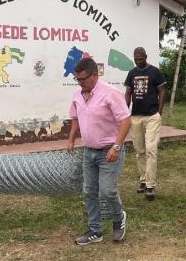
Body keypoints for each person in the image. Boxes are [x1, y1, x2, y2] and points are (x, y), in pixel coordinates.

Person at [67, 58, 132, 245]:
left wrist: (117, 146)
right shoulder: (78, 94)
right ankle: (95, 230)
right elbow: (75, 117)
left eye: (83, 79)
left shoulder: (111, 93)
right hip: (89, 151)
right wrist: (71, 138)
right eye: (77, 80)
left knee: (108, 191)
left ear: (95, 75)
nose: (80, 84)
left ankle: (119, 217)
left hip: (109, 150)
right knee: (89, 191)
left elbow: (126, 120)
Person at [124, 47, 166, 201]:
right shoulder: (132, 73)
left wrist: (159, 112)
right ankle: (143, 179)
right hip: (136, 117)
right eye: (136, 58)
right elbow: (128, 93)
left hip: (152, 117)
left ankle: (150, 185)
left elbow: (162, 91)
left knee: (151, 149)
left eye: (141, 58)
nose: (138, 61)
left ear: (146, 57)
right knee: (140, 151)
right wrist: (124, 112)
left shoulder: (155, 72)